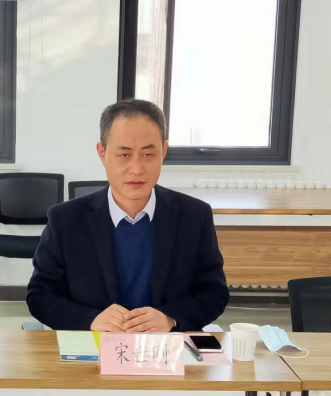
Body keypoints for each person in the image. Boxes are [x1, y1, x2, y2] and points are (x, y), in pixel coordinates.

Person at [27, 99, 230, 333]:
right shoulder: (66, 220)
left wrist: (170, 318)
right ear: (102, 154)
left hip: (165, 346)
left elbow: (214, 292)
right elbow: (40, 295)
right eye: (124, 155)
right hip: (93, 345)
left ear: (163, 152)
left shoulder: (194, 216)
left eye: (148, 154)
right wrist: (90, 319)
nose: (136, 168)